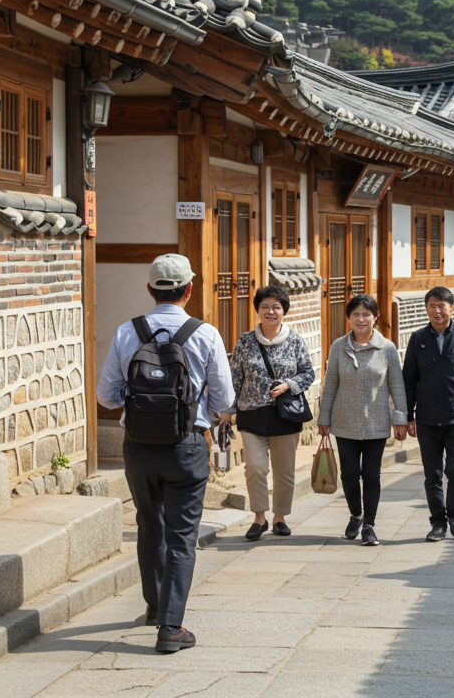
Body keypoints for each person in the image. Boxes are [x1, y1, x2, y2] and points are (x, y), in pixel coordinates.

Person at [97, 254, 233, 654]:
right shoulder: (205, 333)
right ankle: (172, 628)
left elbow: (106, 396)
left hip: (138, 446)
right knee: (181, 535)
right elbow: (224, 399)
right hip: (187, 445)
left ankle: (155, 608)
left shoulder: (127, 332)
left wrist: (138, 401)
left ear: (150, 289)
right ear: (189, 289)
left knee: (148, 523)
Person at [222, 286, 316, 542]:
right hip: (251, 414)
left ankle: (280, 518)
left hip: (285, 415)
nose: (271, 312)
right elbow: (235, 378)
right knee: (254, 467)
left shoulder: (295, 340)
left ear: (284, 311)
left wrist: (288, 385)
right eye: (265, 306)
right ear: (257, 310)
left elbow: (308, 373)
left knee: (284, 470)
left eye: (276, 307)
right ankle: (259, 518)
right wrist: (227, 412)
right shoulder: (245, 340)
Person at [317, 294, 408, 546]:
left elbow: (397, 386)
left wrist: (400, 418)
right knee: (348, 474)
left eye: (366, 314)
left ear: (375, 317)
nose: (361, 319)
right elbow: (330, 385)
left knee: (371, 475)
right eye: (355, 314)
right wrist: (324, 419)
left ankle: (369, 525)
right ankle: (355, 514)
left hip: (376, 422)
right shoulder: (338, 346)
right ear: (348, 318)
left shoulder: (387, 348)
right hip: (344, 422)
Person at [402, 286, 454, 541]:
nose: (437, 311)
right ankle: (438, 523)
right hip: (427, 419)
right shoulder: (418, 339)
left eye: (442, 305)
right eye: (432, 305)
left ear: (452, 308)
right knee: (433, 474)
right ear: (426, 308)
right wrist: (408, 415)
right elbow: (409, 380)